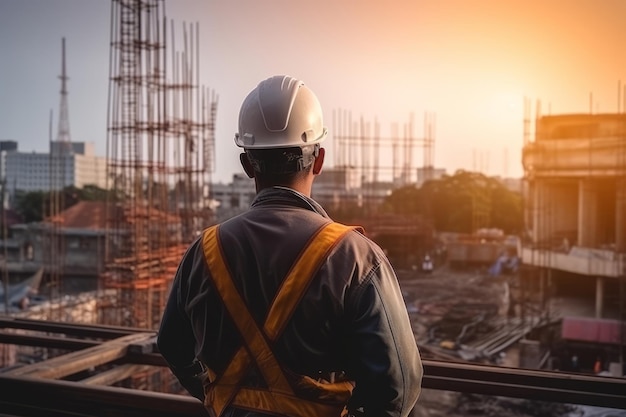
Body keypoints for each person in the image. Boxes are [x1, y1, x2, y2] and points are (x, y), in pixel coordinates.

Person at [157, 75, 423, 417]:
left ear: (247, 165)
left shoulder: (204, 252)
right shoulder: (355, 257)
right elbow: (399, 387)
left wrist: (223, 398)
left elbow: (172, 346)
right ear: (319, 159)